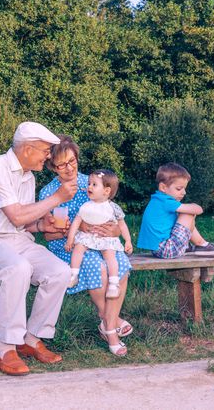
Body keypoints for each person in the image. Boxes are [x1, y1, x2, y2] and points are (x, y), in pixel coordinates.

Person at [0, 121, 78, 376]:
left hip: (17, 241)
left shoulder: (28, 177)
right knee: (18, 268)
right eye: (45, 151)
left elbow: (24, 223)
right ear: (27, 149)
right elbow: (16, 216)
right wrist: (58, 197)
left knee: (60, 271)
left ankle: (31, 337)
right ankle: (6, 347)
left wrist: (42, 225)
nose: (48, 156)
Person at [39, 136, 132, 357]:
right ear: (53, 166)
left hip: (103, 243)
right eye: (62, 164)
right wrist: (63, 231)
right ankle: (110, 327)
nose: (69, 168)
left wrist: (116, 232)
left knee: (121, 263)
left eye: (72, 161)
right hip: (69, 246)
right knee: (98, 267)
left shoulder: (92, 183)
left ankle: (107, 322)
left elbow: (116, 221)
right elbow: (47, 236)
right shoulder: (47, 193)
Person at [64, 169, 133, 301]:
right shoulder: (85, 206)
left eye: (94, 184)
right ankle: (73, 274)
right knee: (78, 248)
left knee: (110, 255)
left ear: (106, 191)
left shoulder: (113, 207)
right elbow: (76, 223)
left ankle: (113, 283)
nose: (89, 186)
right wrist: (71, 239)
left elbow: (122, 225)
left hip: (106, 238)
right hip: (88, 236)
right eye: (89, 183)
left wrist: (128, 241)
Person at [136, 162, 214, 258]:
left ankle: (190, 246)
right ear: (163, 187)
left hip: (158, 249)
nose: (184, 192)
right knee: (187, 213)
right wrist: (194, 206)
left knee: (186, 212)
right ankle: (202, 244)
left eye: (184, 188)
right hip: (167, 249)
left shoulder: (158, 200)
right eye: (179, 189)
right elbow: (198, 210)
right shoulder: (166, 201)